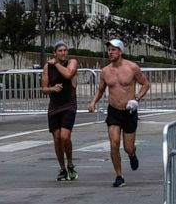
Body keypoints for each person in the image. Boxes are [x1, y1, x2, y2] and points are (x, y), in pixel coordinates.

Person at [88, 38, 150, 188]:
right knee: (114, 143)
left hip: (129, 111)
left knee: (128, 147)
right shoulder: (105, 71)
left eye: (114, 49)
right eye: (109, 49)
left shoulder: (132, 67)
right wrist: (93, 102)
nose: (110, 52)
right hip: (114, 111)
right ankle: (119, 175)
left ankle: (132, 154)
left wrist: (137, 98)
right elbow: (101, 89)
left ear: (120, 51)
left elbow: (146, 84)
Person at [41, 40, 79, 181]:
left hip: (69, 104)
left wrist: (56, 63)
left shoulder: (72, 62)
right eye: (60, 51)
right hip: (54, 107)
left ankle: (70, 164)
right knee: (57, 139)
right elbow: (43, 88)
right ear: (54, 53)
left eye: (65, 50)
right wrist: (52, 89)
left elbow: (68, 75)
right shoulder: (47, 67)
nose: (63, 53)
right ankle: (62, 169)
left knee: (65, 136)